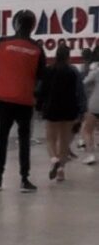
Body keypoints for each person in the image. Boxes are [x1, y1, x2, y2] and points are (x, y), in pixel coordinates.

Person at [0, 10, 45, 193]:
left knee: (2, 138)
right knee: (24, 140)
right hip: (25, 100)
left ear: (16, 23)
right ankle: (24, 179)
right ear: (32, 25)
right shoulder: (37, 49)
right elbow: (41, 76)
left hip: (5, 99)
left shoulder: (2, 42)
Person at [38, 44, 83, 181]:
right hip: (69, 109)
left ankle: (54, 160)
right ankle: (61, 170)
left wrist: (40, 107)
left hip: (52, 108)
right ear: (68, 57)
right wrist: (80, 111)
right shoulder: (73, 71)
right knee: (64, 141)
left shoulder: (49, 70)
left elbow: (42, 90)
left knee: (50, 139)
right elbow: (78, 92)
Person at [82, 53, 99, 165]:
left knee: (87, 130)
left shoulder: (96, 70)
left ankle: (91, 155)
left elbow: (84, 82)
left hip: (95, 104)